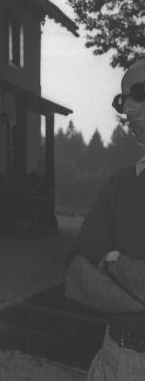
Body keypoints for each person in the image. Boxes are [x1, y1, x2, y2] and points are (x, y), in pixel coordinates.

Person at [64, 58, 145, 380]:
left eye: (140, 93)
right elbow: (75, 280)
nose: (128, 109)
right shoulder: (121, 184)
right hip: (117, 360)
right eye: (122, 100)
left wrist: (111, 262)